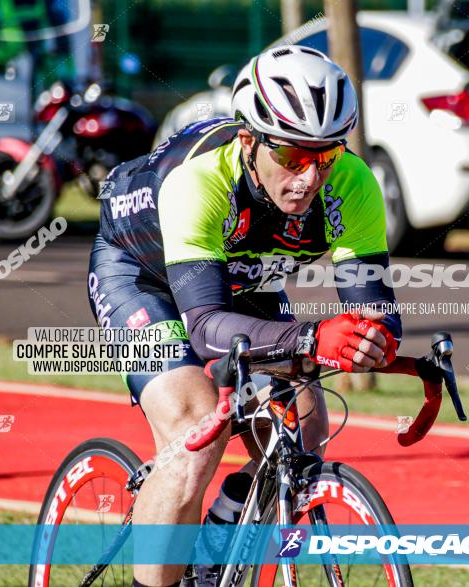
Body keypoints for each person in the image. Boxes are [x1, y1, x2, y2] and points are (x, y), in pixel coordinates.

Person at [87, 45, 401, 587]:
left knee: (303, 433)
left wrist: (374, 339)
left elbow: (372, 307)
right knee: (196, 430)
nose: (309, 176)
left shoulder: (353, 185)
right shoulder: (200, 180)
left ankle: (211, 553)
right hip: (142, 274)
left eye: (324, 156)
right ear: (249, 140)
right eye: (293, 156)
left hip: (242, 275)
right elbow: (207, 329)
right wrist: (311, 337)